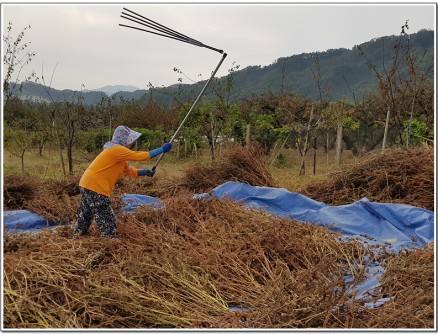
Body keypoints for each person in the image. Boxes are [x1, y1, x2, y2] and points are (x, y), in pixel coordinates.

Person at [73, 125, 172, 239]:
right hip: (96, 187)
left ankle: (77, 237)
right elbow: (140, 156)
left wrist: (145, 172)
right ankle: (109, 242)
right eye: (130, 141)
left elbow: (130, 171)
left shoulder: (118, 155)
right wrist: (161, 149)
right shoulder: (117, 150)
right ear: (124, 140)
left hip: (86, 183)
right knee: (107, 218)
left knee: (86, 214)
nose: (131, 144)